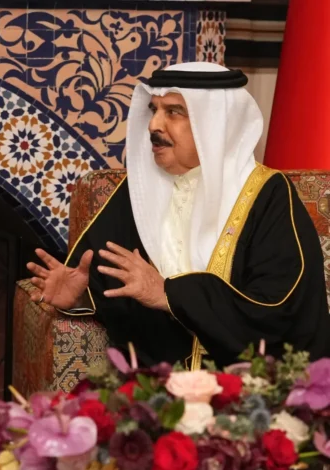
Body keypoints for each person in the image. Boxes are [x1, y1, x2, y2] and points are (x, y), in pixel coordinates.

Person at [27, 62, 330, 369]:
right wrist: (81, 296)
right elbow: (111, 283)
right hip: (152, 384)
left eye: (173, 112)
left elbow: (278, 309)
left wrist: (169, 294)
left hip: (245, 383)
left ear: (214, 124)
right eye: (154, 110)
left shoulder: (267, 195)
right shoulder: (138, 192)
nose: (153, 125)